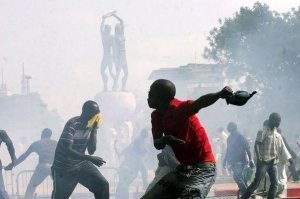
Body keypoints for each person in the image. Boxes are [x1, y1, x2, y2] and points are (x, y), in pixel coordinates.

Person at [142, 79, 233, 198]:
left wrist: (220, 94)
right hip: (183, 169)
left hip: (203, 168)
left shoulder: (180, 108)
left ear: (161, 98)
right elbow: (157, 143)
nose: (148, 97)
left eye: (151, 94)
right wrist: (165, 140)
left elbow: (200, 103)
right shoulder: (156, 116)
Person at [51, 100, 109, 199]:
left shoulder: (90, 126)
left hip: (81, 164)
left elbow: (91, 150)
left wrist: (94, 130)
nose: (98, 114)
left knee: (102, 185)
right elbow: (67, 150)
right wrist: (91, 159)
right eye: (95, 112)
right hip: (64, 167)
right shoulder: (73, 124)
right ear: (86, 112)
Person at [241, 113, 292, 199]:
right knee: (256, 183)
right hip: (263, 162)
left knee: (275, 183)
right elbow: (256, 145)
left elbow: (281, 147)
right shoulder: (262, 131)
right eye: (277, 121)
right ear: (272, 120)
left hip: (273, 162)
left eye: (279, 121)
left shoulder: (276, 134)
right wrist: (259, 158)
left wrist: (289, 158)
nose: (279, 123)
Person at [5, 128, 57, 199]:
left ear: (42, 134)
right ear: (50, 135)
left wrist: (12, 165)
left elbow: (24, 156)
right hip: (54, 167)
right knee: (60, 187)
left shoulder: (37, 143)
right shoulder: (56, 143)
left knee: (31, 186)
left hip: (43, 165)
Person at [115, 129, 148, 199]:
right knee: (144, 170)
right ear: (143, 133)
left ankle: (145, 184)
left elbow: (132, 147)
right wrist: (123, 152)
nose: (147, 135)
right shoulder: (138, 139)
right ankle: (145, 184)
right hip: (135, 159)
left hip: (134, 161)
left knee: (124, 184)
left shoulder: (141, 140)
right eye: (146, 133)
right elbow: (132, 147)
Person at [223, 122, 254, 195]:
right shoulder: (229, 138)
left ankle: (247, 193)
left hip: (240, 161)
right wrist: (225, 161)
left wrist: (250, 160)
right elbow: (228, 150)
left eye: (229, 127)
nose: (228, 129)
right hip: (233, 162)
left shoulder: (241, 137)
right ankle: (246, 192)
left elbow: (247, 149)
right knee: (241, 178)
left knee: (237, 177)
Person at [112, 13, 128, 91]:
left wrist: (114, 15)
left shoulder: (122, 34)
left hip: (124, 56)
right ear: (116, 29)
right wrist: (114, 58)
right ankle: (114, 86)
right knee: (117, 74)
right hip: (119, 57)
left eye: (120, 27)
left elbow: (121, 21)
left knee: (126, 73)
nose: (120, 28)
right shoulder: (115, 37)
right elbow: (114, 48)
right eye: (118, 27)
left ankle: (123, 87)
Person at [100, 13, 116, 91]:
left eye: (106, 28)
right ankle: (106, 86)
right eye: (105, 28)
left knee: (110, 71)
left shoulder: (111, 37)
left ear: (108, 30)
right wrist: (103, 19)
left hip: (109, 55)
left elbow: (114, 48)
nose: (105, 29)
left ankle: (115, 82)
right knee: (102, 70)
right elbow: (101, 28)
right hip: (105, 55)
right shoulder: (104, 35)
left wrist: (114, 57)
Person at [0, 130, 16, 199]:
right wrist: (14, 160)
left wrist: (14, 160)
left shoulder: (1, 133)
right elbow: (9, 144)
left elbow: (9, 144)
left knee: (1, 191)